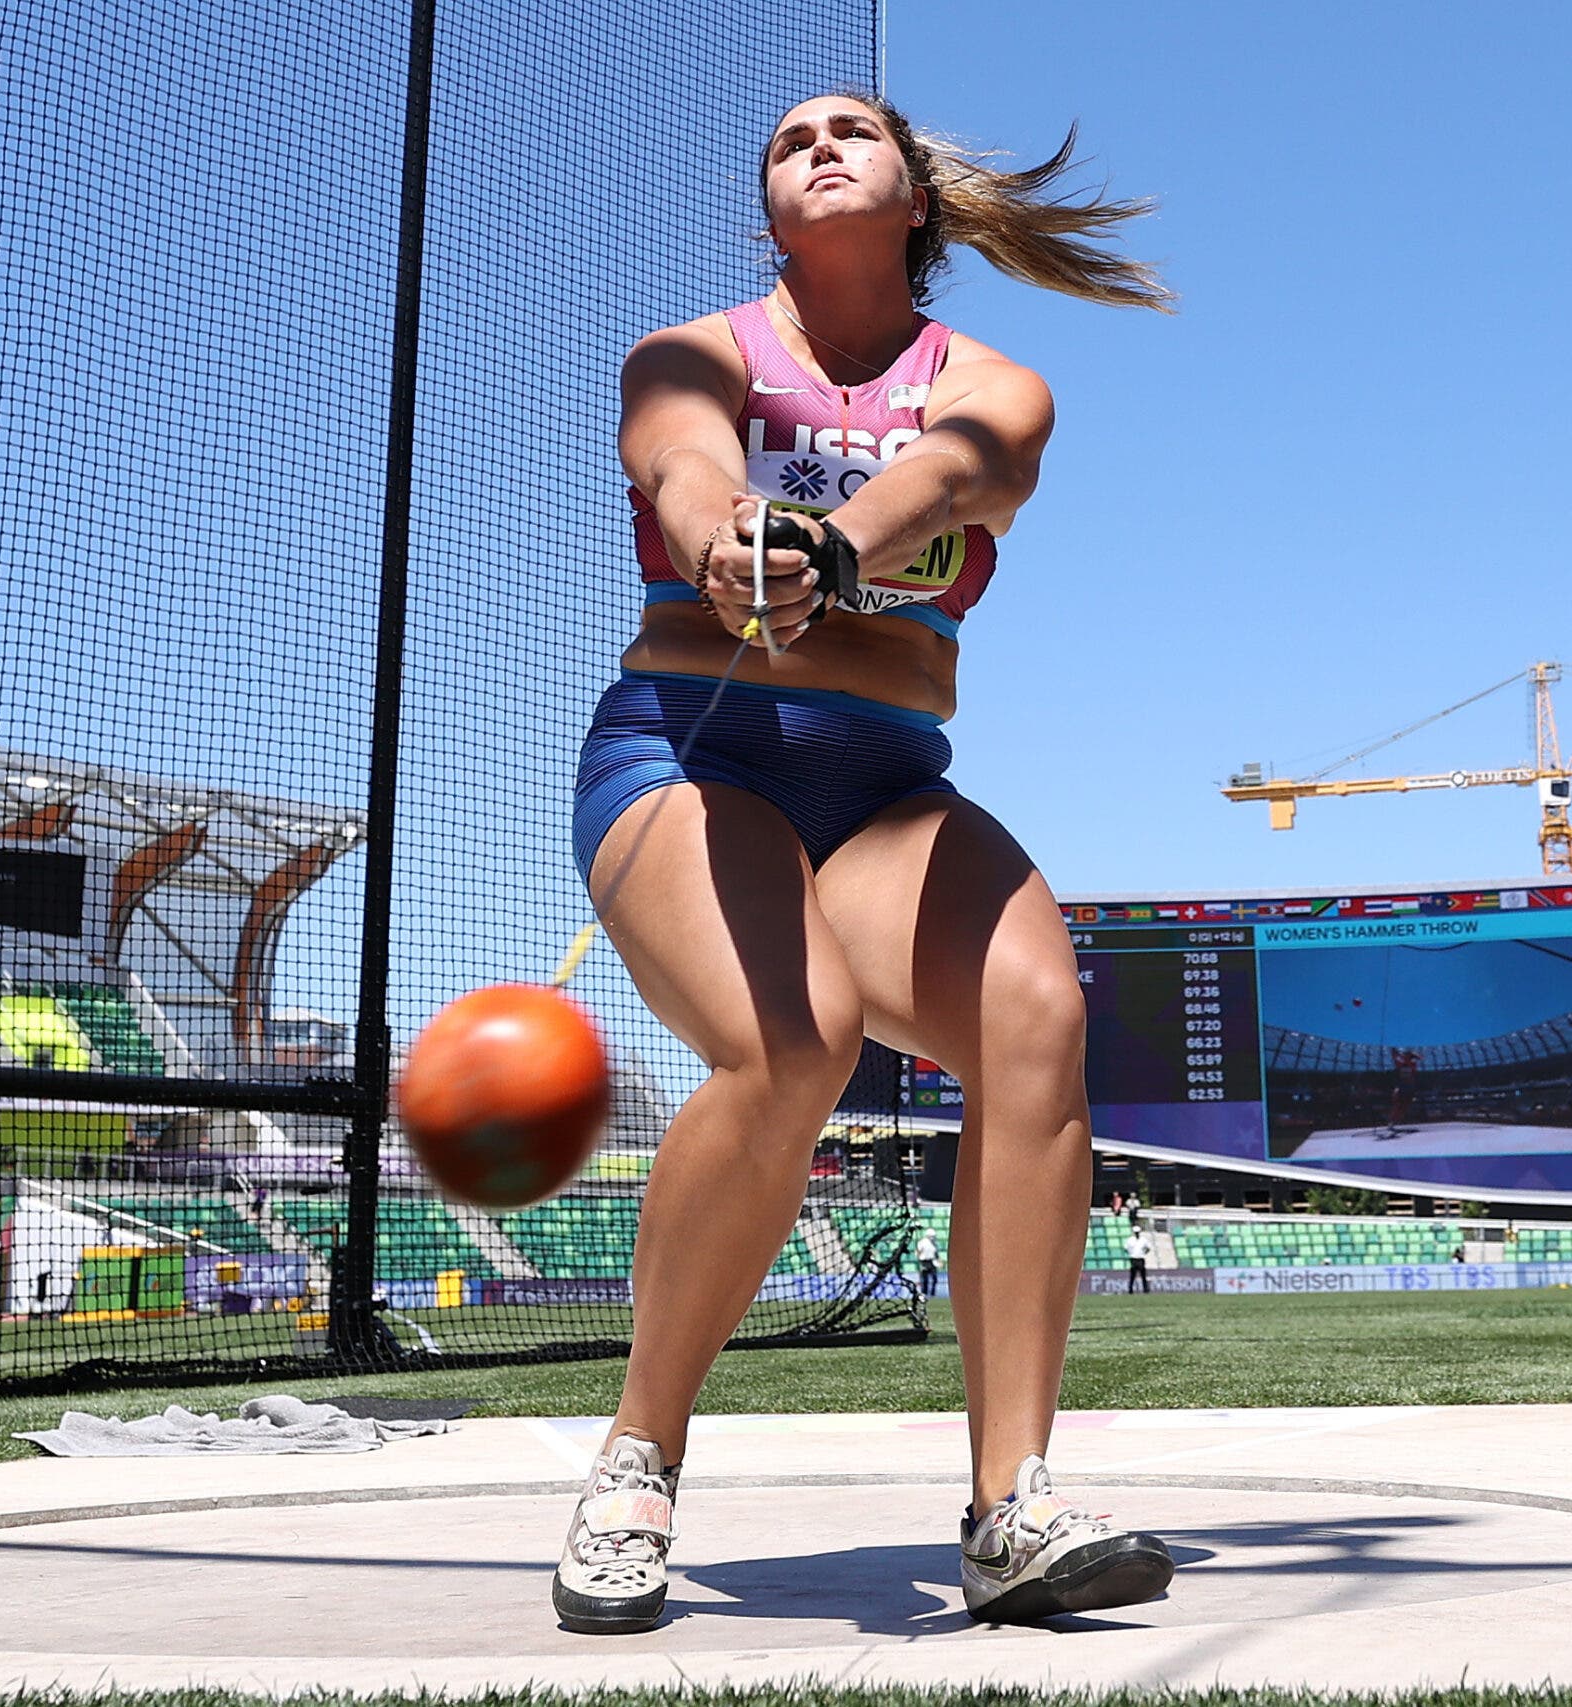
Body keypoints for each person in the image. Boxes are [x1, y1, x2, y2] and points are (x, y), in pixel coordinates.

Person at [555, 90, 1174, 1636]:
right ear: (772, 213)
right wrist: (722, 538)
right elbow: (684, 462)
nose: (818, 145)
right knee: (797, 1043)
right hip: (687, 759)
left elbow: (957, 472)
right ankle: (639, 1453)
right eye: (785, 142)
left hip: (885, 785)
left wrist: (836, 544)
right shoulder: (689, 348)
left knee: (1038, 1018)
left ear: (915, 198)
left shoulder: (1003, 385)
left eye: (851, 131)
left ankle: (1010, 1507)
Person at [1124, 1224, 1152, 1293]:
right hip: (1133, 1258)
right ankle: (1130, 1290)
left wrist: (1144, 1253)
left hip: (1140, 1258)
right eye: (1136, 1232)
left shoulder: (1143, 1240)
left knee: (1143, 1275)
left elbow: (1148, 1248)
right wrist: (1131, 1253)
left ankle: (1145, 1289)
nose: (1137, 1233)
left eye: (1138, 1232)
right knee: (1132, 1275)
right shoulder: (1130, 1240)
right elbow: (1125, 1248)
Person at [914, 1228, 941, 1298]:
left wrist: (939, 1261)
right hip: (924, 1262)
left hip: (932, 1261)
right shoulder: (922, 1243)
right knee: (925, 1279)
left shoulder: (934, 1243)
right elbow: (917, 1253)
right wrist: (920, 1259)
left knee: (934, 1278)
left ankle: (932, 1293)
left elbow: (936, 1253)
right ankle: (924, 1293)